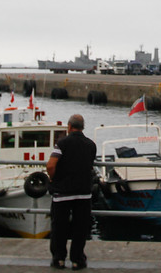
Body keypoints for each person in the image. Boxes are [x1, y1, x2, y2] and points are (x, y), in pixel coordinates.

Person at [46, 113, 97, 270]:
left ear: (69, 127)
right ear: (83, 127)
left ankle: (59, 258)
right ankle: (77, 259)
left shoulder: (62, 143)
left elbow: (50, 165)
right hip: (83, 192)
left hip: (63, 193)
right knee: (80, 228)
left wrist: (53, 178)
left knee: (59, 227)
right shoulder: (91, 145)